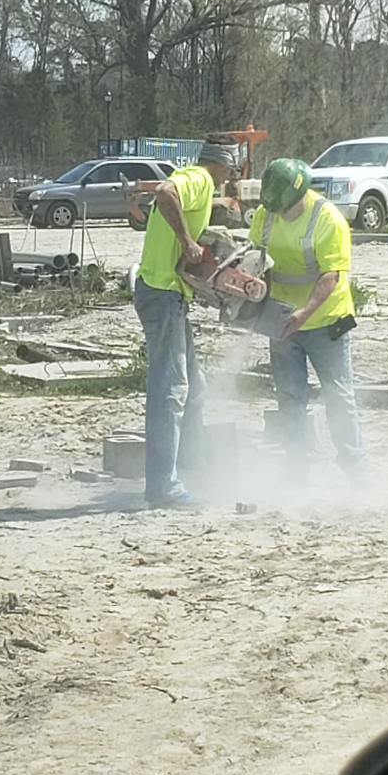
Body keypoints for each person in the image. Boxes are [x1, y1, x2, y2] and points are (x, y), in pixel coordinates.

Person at [134, 134, 240, 510]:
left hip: (168, 293)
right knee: (171, 390)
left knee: (194, 387)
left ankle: (191, 467)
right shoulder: (197, 180)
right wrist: (186, 242)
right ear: (224, 167)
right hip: (162, 294)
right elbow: (164, 193)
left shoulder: (195, 181)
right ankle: (162, 487)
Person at [249, 157, 364, 481]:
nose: (280, 214)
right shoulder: (265, 214)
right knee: (289, 397)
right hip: (281, 320)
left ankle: (355, 469)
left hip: (326, 322)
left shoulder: (327, 219)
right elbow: (254, 260)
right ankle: (297, 469)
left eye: (284, 207)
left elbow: (330, 276)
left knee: (338, 396)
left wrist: (304, 313)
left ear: (299, 195)